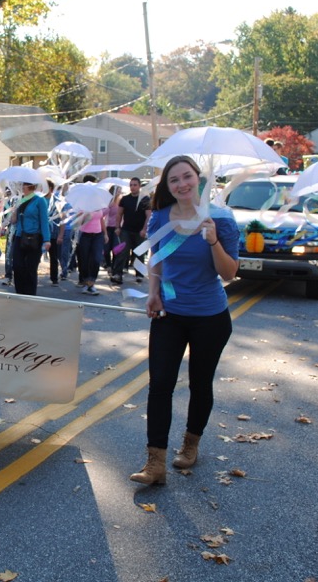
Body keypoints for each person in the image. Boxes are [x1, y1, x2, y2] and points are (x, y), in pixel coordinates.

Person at [130, 155, 240, 485]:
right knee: (159, 385)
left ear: (199, 179)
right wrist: (153, 292)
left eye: (187, 177)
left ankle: (191, 444)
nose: (181, 184)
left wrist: (213, 241)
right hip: (170, 314)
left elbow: (230, 273)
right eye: (174, 180)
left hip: (210, 317)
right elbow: (156, 258)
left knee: (199, 383)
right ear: (167, 186)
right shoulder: (161, 217)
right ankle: (155, 463)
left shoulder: (221, 219)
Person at [11, 181, 50, 296]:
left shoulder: (39, 200)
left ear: (29, 186)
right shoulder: (19, 200)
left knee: (30, 268)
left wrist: (47, 239)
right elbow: (14, 221)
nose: (21, 187)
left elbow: (44, 221)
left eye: (23, 185)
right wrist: (14, 212)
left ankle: (30, 295)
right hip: (20, 236)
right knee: (17, 266)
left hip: (35, 238)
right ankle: (20, 293)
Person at [113, 177, 151, 284]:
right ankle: (117, 274)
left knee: (139, 253)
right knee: (122, 252)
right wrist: (117, 227)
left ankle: (139, 275)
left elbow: (149, 216)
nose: (133, 187)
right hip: (126, 230)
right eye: (131, 185)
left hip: (139, 231)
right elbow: (119, 214)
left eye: (135, 185)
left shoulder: (145, 199)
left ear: (139, 186)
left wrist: (144, 229)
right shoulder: (125, 199)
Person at [75, 207, 106, 296]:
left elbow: (101, 220)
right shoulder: (82, 208)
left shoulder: (99, 207)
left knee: (96, 258)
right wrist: (84, 216)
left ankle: (92, 282)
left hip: (98, 235)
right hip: (85, 235)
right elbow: (77, 224)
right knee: (84, 259)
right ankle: (86, 282)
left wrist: (105, 234)